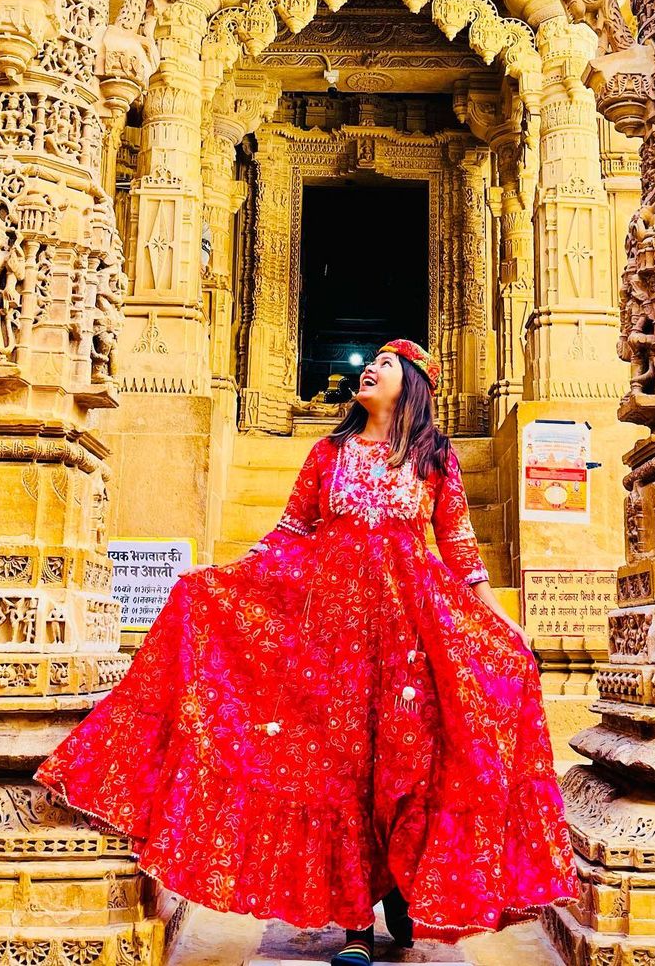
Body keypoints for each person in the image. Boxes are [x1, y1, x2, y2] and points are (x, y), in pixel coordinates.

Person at [34, 338, 579, 961]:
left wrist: (501, 624)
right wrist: (225, 578)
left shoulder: (433, 457)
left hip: (411, 639)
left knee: (407, 768)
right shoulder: (328, 454)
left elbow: (458, 548)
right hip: (334, 638)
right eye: (369, 362)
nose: (369, 369)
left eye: (385, 365)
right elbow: (290, 535)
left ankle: (401, 894)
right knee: (340, 773)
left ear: (413, 386)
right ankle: (354, 925)